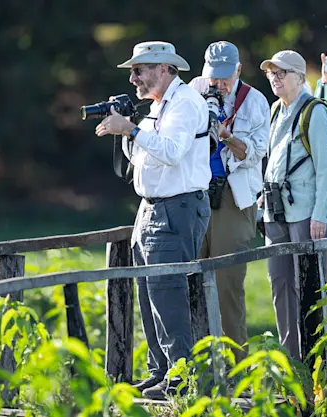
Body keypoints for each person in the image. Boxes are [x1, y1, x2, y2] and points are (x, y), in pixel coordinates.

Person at [95, 41, 211, 399]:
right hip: (151, 207)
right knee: (148, 293)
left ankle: (180, 378)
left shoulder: (185, 103)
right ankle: (160, 371)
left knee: (167, 293)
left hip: (176, 206)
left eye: (139, 70)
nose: (133, 79)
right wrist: (126, 129)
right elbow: (139, 157)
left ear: (164, 69)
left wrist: (130, 129)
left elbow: (172, 153)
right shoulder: (159, 106)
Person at [188, 41, 270, 362]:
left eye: (225, 77)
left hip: (234, 198)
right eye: (214, 77)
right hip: (195, 194)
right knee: (190, 280)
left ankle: (237, 370)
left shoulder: (255, 101)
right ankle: (198, 368)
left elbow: (255, 152)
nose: (218, 84)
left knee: (228, 285)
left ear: (238, 70)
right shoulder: (193, 91)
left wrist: (225, 134)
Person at [260, 50, 327, 360]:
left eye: (282, 73)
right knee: (279, 286)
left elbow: (326, 170)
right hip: (274, 211)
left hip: (305, 212)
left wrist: (321, 215)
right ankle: (291, 361)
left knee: (308, 288)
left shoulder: (314, 111)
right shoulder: (276, 110)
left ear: (300, 78)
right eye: (271, 73)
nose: (275, 78)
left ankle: (315, 362)